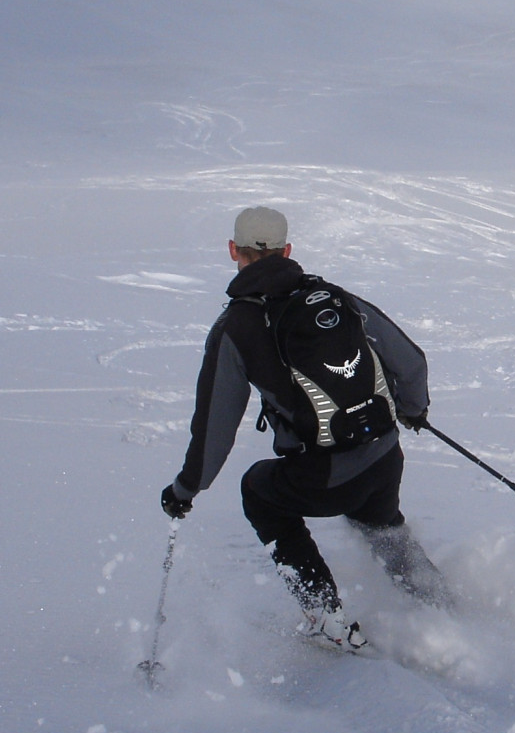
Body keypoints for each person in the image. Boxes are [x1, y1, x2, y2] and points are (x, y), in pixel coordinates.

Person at [161, 205, 446, 651]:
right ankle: (443, 603)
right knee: (380, 521)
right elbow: (410, 361)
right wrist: (413, 410)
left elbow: (216, 424)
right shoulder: (331, 295)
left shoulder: (235, 326)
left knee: (260, 492)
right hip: (384, 454)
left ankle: (324, 613)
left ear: (233, 250)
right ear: (287, 250)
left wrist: (185, 489)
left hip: (323, 474)